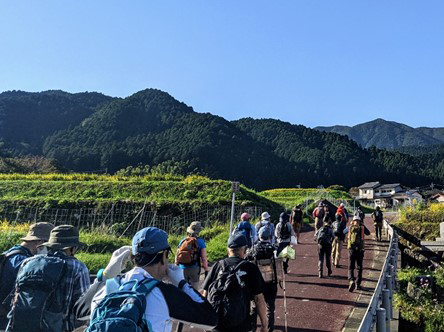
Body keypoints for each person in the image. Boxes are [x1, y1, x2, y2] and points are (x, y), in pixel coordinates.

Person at [88, 227, 218, 331]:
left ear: (133, 257)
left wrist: (104, 276)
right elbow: (210, 319)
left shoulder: (108, 288)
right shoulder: (165, 293)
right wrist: (182, 283)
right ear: (164, 256)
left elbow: (80, 311)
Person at [6, 225, 90, 332]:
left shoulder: (28, 262)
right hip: (60, 328)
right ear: (71, 248)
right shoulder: (77, 267)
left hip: (24, 326)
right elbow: (83, 307)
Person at [202, 233, 268, 332]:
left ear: (228, 249)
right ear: (245, 250)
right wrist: (264, 325)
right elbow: (259, 299)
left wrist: (205, 323)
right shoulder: (250, 268)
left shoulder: (217, 266)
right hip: (240, 324)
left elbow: (205, 295)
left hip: (216, 325)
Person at [0, 222, 54, 329]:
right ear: (40, 242)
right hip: (8, 318)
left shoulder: (9, 254)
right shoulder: (25, 262)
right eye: (48, 246)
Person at [247, 227, 278, 332]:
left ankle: (252, 328)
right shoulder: (274, 248)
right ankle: (269, 328)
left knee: (254, 307)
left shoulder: (253, 249)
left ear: (259, 236)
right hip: (271, 282)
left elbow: (247, 261)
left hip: (256, 284)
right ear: (269, 237)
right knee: (270, 308)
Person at [176, 221, 209, 290]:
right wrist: (206, 269)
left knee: (183, 288)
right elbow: (204, 258)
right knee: (195, 288)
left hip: (182, 268)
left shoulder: (183, 241)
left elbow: (177, 256)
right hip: (194, 267)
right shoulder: (200, 242)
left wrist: (176, 266)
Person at [346, 216, 371, 292]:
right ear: (360, 221)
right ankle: (358, 284)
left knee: (351, 267)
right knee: (359, 267)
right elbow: (368, 233)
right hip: (360, 250)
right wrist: (363, 225)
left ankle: (351, 280)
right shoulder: (362, 228)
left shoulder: (350, 227)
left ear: (353, 221)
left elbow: (343, 232)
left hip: (351, 250)